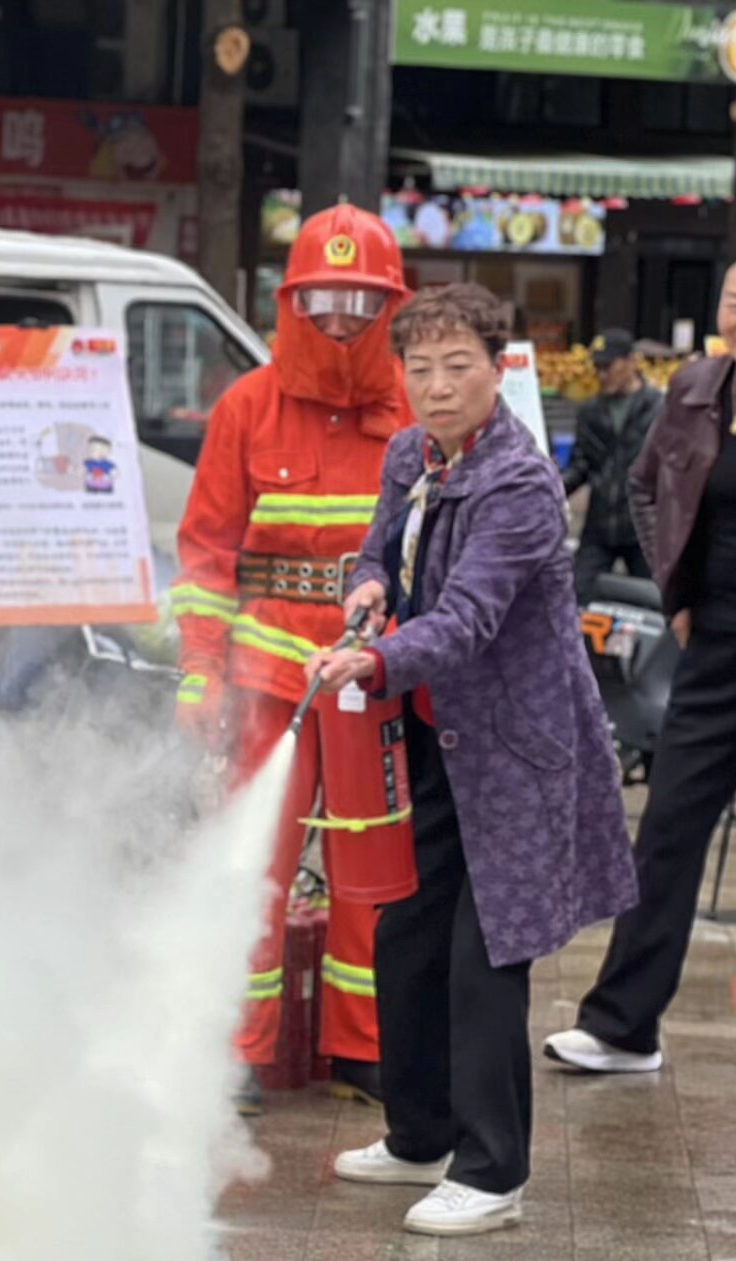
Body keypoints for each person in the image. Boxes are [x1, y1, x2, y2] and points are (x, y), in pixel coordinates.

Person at [312, 283, 635, 1236]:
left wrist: (370, 656)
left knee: (484, 953)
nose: (437, 388)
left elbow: (465, 621)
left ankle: (493, 1172)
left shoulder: (520, 484)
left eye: (458, 368)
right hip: (432, 739)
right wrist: (366, 587)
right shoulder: (410, 452)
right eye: (418, 370)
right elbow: (376, 551)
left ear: (499, 370)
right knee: (405, 934)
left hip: (517, 750)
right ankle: (418, 1135)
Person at [545, 242, 736, 1091]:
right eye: (735, 305)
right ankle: (620, 1025)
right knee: (667, 831)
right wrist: (673, 588)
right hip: (716, 643)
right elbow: (645, 490)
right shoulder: (691, 389)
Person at [172, 205, 414, 1115]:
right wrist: (198, 673)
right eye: (323, 300)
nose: (341, 319)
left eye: (360, 300)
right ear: (290, 303)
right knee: (252, 868)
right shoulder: (247, 406)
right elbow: (203, 557)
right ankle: (239, 1051)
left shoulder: (413, 411)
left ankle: (365, 1047)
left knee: (373, 875)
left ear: (390, 305)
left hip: (373, 687)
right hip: (266, 689)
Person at [563, 327, 662, 598]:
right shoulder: (590, 412)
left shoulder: (659, 408)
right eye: (598, 367)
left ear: (630, 361)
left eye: (609, 366)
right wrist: (552, 489)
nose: (602, 374)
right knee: (575, 599)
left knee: (657, 602)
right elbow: (581, 465)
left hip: (643, 527)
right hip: (600, 525)